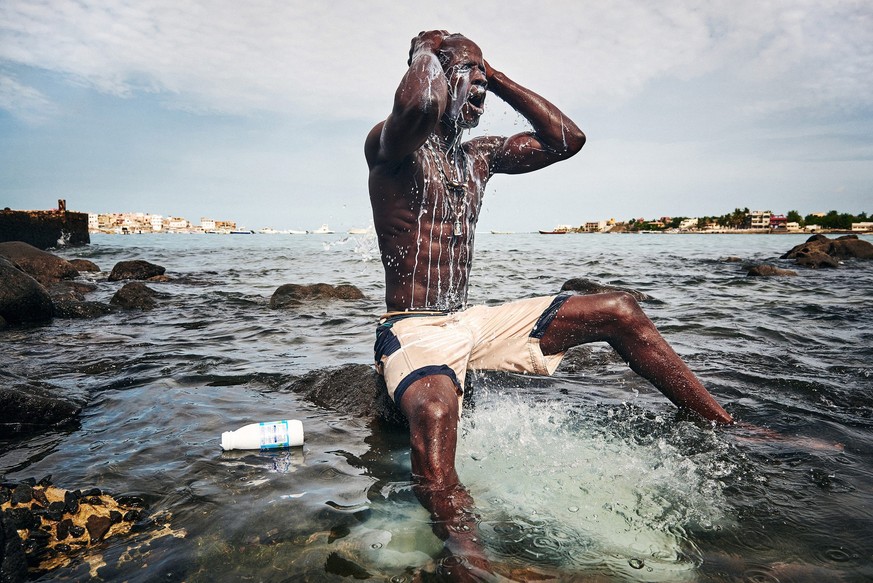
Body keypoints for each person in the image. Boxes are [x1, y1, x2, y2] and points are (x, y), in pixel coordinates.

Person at [365, 30, 733, 580]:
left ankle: (725, 426)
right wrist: (428, 53)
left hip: (472, 320)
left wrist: (493, 73)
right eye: (468, 79)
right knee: (438, 411)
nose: (480, 94)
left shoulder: (478, 159)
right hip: (415, 326)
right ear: (437, 77)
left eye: (484, 84)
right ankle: (469, 562)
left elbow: (567, 139)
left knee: (618, 310)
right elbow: (418, 105)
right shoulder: (391, 149)